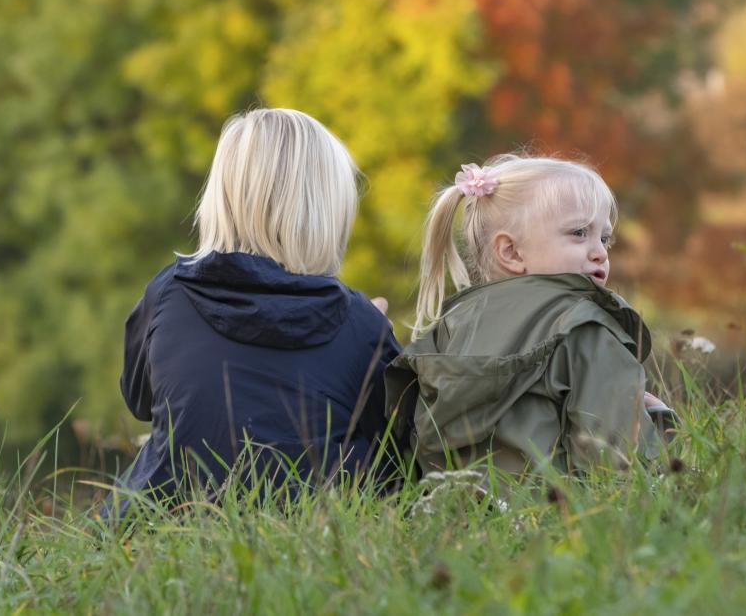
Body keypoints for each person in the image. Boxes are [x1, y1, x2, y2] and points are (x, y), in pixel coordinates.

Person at [108, 108, 398, 513]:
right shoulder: (360, 324)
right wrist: (376, 335)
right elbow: (398, 441)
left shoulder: (168, 294)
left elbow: (140, 401)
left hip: (161, 520)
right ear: (328, 213)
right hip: (312, 529)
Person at [384, 154, 672, 479]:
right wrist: (659, 423)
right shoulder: (586, 326)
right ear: (511, 252)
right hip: (551, 518)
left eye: (604, 238)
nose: (600, 252)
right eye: (579, 233)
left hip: (451, 514)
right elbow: (615, 462)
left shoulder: (452, 323)